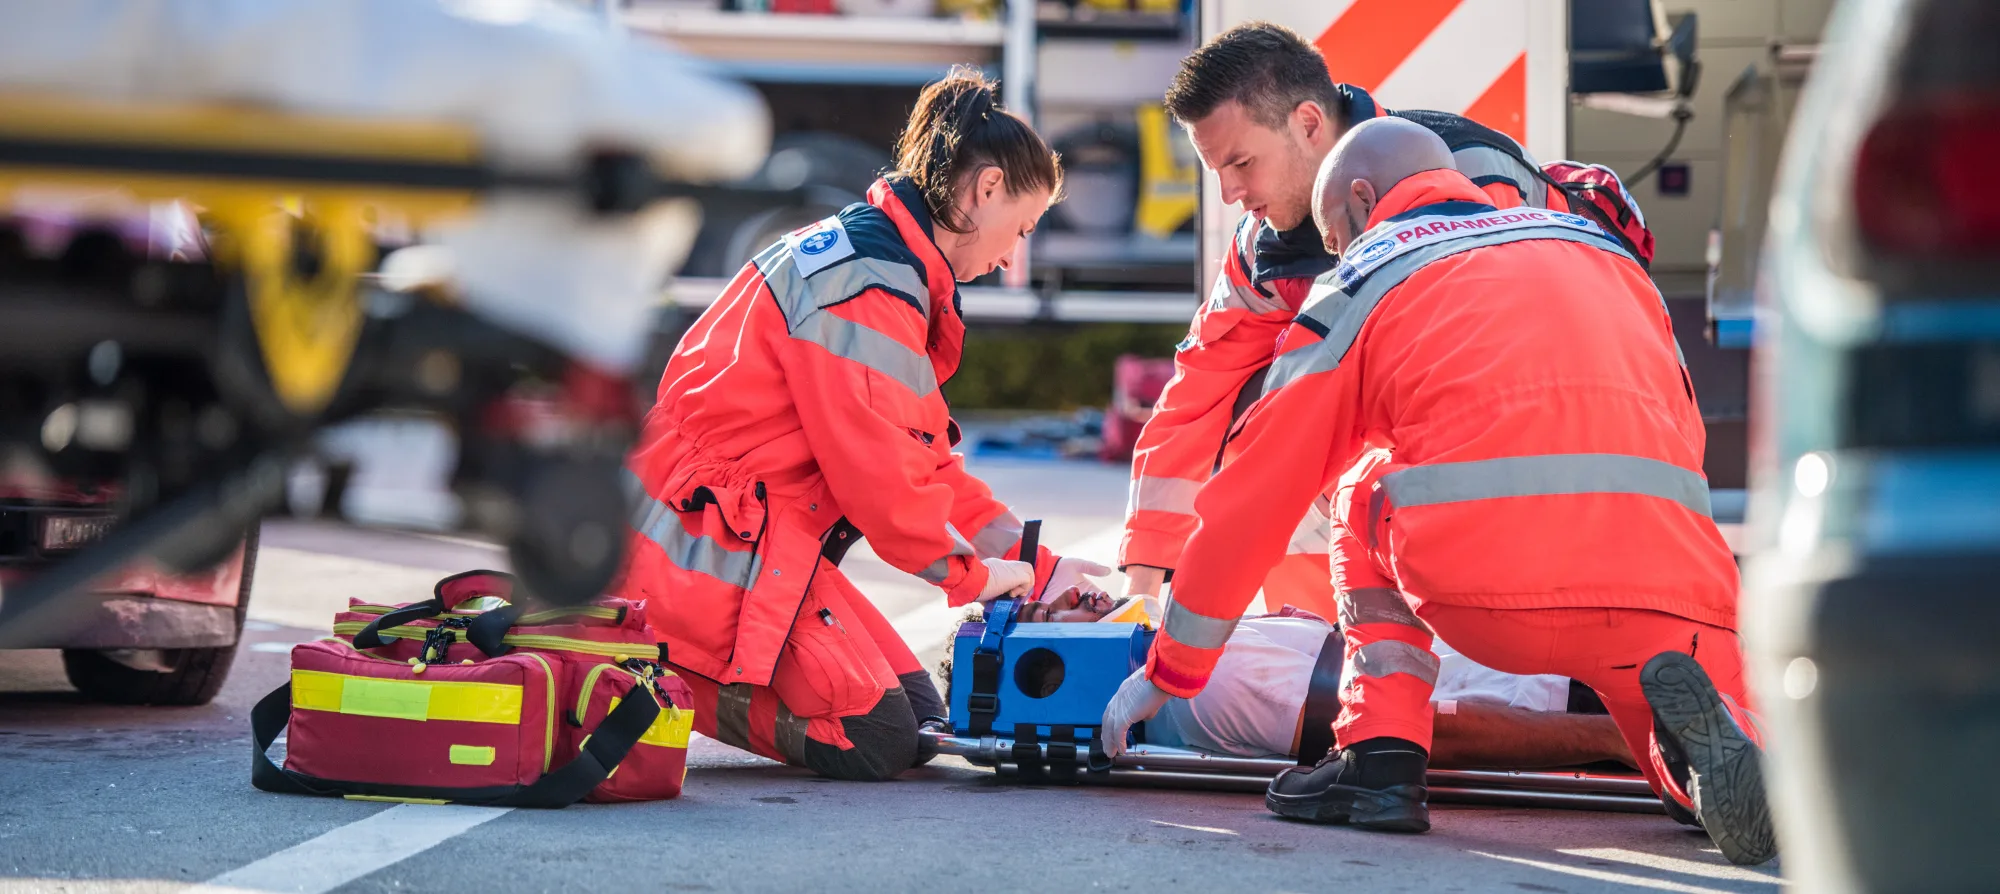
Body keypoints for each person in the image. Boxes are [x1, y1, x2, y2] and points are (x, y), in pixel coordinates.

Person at [1102, 118, 1776, 866]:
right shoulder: (1599, 250)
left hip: (1490, 594)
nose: (1337, 251)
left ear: (1362, 202)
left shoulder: (1365, 274)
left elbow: (1257, 490)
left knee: (1360, 488)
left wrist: (1174, 668)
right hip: (1677, 590)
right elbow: (1680, 430)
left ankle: (1379, 760)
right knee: (1680, 735)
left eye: (1336, 234)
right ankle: (1705, 777)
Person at [615, 68, 1110, 782]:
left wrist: (1042, 567)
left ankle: (675, 648)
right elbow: (885, 485)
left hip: (744, 539)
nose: (1011, 259)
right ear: (988, 188)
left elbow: (925, 463)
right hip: (703, 550)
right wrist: (974, 577)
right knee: (877, 739)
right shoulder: (869, 287)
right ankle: (660, 664)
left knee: (920, 723)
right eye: (1021, 230)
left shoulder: (885, 267)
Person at [1121, 22, 1557, 622]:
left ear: (1307, 124)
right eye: (1217, 170)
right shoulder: (1263, 246)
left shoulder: (1474, 176)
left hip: (1525, 459)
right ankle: (1318, 661)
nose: (1228, 194)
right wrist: (1142, 587)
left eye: (1241, 163)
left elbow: (1504, 376)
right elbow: (1198, 394)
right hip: (1436, 465)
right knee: (1256, 427)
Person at [943, 593, 1633, 769]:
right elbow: (1422, 729)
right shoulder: (1189, 693)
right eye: (1050, 615)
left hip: (1535, 658)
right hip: (1547, 692)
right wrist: (1621, 739)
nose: (1079, 598)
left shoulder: (1182, 648)